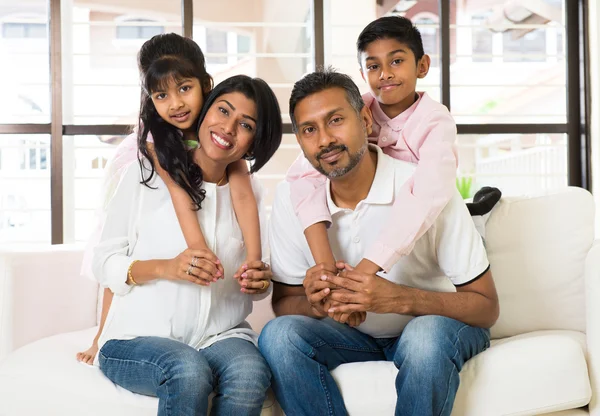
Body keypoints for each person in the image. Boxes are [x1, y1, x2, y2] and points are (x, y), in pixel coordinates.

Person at [258, 68, 499, 416]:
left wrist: (399, 299)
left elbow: (486, 307)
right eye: (309, 130)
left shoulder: (425, 190)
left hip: (432, 329)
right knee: (279, 336)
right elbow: (285, 304)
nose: (324, 140)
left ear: (366, 119)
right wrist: (316, 304)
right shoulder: (291, 198)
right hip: (352, 338)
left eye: (336, 120)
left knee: (425, 338)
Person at [285, 17, 499, 328]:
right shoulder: (359, 112)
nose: (385, 74)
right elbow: (301, 175)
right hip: (393, 209)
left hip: (432, 204)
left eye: (396, 61)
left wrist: (364, 274)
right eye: (373, 66)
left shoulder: (435, 122)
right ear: (363, 74)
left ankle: (479, 211)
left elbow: (426, 196)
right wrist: (328, 271)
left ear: (422, 66)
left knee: (460, 220)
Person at [93, 74, 282, 416]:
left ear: (254, 142)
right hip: (135, 338)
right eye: (223, 111)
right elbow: (103, 261)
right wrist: (166, 267)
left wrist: (260, 280)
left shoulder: (249, 193)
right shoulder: (145, 174)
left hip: (220, 336)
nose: (227, 128)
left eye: (245, 125)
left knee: (251, 375)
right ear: (206, 110)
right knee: (187, 370)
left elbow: (258, 284)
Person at [77, 33, 263, 364]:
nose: (175, 103)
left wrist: (255, 261)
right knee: (126, 247)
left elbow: (244, 191)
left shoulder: (223, 140)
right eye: (161, 91)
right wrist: (100, 336)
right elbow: (117, 254)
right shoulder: (151, 152)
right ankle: (103, 332)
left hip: (213, 325)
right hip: (144, 294)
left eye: (184, 87)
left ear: (204, 83)